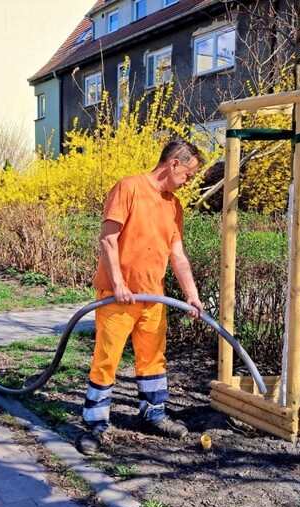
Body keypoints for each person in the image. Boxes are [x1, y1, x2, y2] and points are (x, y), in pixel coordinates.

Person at [76, 139, 205, 455]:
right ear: (174, 163)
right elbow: (109, 238)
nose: (188, 181)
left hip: (154, 299)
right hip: (118, 298)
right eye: (188, 174)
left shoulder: (173, 205)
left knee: (153, 359)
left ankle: (153, 414)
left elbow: (177, 253)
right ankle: (94, 425)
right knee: (106, 360)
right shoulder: (129, 188)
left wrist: (191, 294)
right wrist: (118, 282)